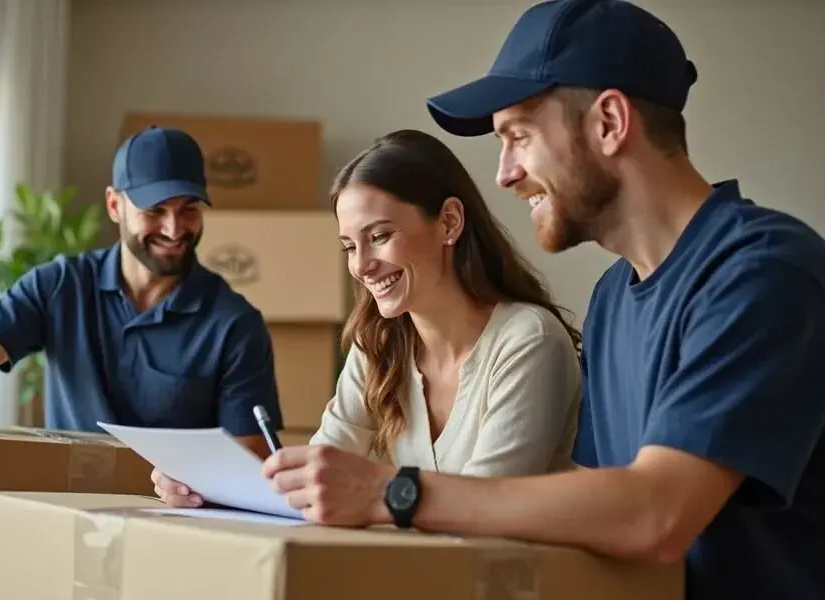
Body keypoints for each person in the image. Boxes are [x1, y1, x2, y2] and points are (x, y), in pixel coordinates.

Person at [261, 1, 825, 599]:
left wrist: (388, 493)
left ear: (609, 122)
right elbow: (587, 499)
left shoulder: (761, 272)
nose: (504, 174)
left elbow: (656, 516)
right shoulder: (614, 298)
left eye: (519, 137)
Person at [154, 128, 584, 509]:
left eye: (379, 236)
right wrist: (210, 485)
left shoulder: (528, 341)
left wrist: (369, 493)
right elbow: (319, 473)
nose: (361, 266)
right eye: (348, 247)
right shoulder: (378, 344)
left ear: (449, 222)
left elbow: (484, 505)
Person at [0, 126, 284, 479]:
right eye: (155, 211)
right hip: (66, 510)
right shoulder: (59, 286)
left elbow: (249, 455)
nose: (174, 229)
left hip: (176, 522)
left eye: (189, 210)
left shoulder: (235, 324)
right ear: (115, 205)